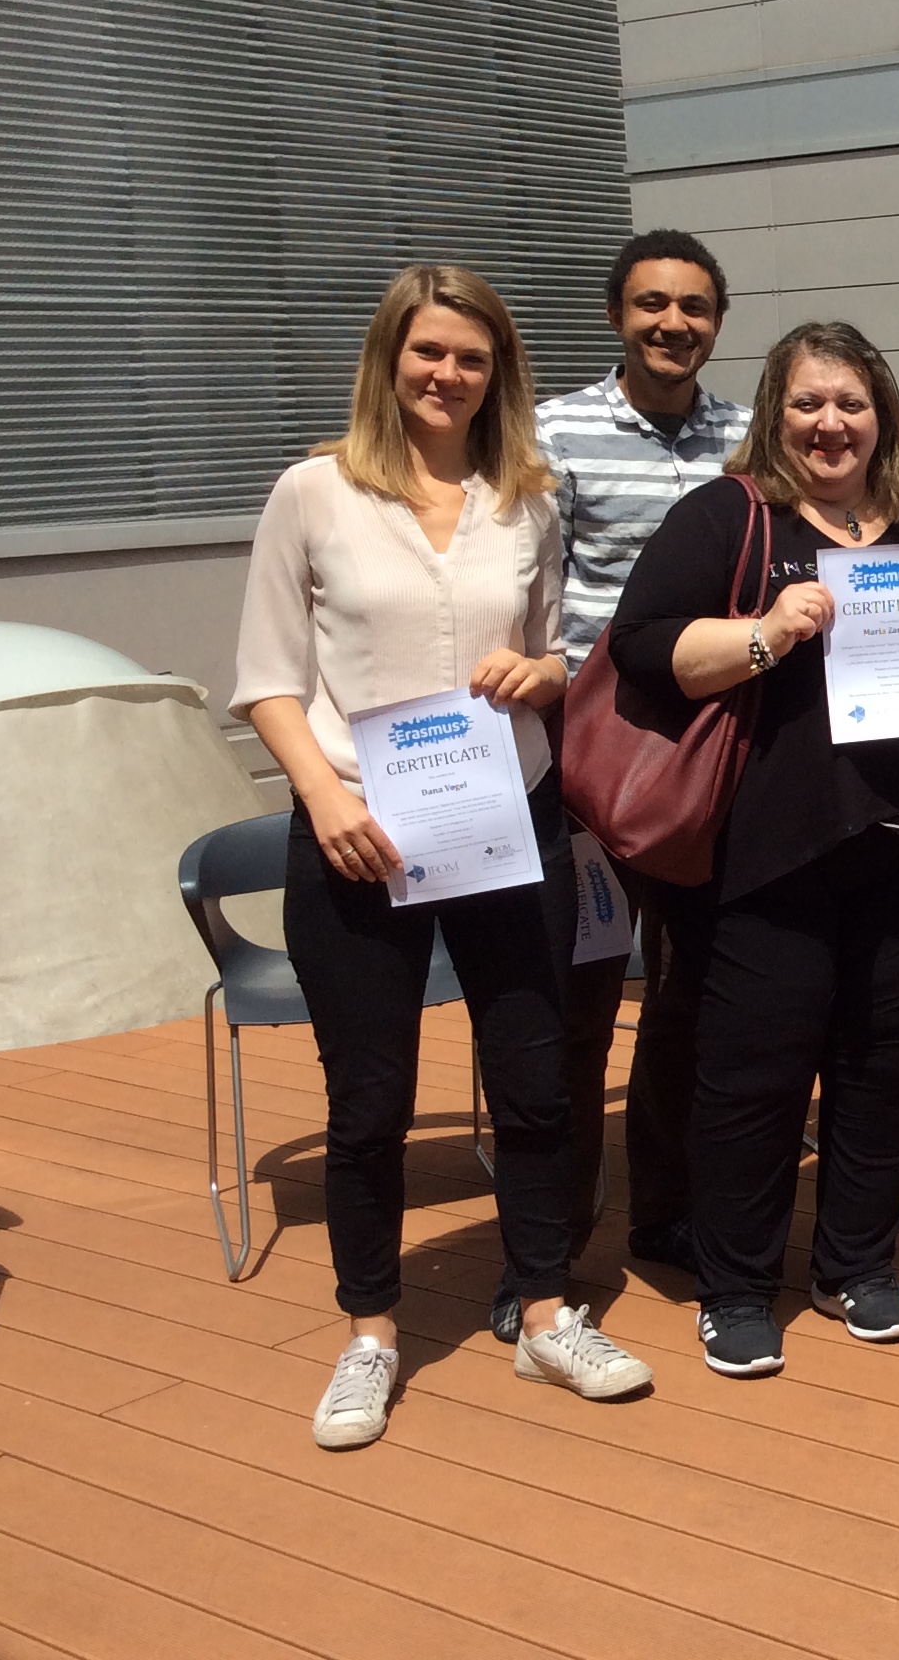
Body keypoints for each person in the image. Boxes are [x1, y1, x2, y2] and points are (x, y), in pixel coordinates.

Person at [235, 264, 655, 1450]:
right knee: (368, 1101)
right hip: (357, 832)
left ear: (498, 374)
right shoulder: (313, 492)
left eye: (472, 357)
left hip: (502, 818)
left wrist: (545, 672)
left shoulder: (525, 501)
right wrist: (321, 796)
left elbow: (556, 656)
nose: (448, 374)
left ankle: (545, 1311)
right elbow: (266, 676)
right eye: (428, 351)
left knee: (535, 1081)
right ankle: (371, 1332)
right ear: (389, 359)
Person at [606, 321, 899, 1372]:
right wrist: (768, 631)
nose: (832, 424)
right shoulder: (730, 517)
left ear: (883, 417)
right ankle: (737, 1283)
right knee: (754, 1076)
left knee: (885, 1066)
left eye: (852, 403)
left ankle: (854, 1265)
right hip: (766, 853)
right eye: (809, 403)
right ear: (776, 414)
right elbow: (642, 647)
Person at [533, 229, 749, 1310]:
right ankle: (555, 1247)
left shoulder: (750, 436)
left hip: (715, 760)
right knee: (575, 1008)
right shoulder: (554, 433)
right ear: (617, 314)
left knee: (694, 998)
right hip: (595, 767)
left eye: (695, 307)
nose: (674, 323)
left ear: (718, 322)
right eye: (653, 304)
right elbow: (531, 588)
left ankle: (667, 1210)